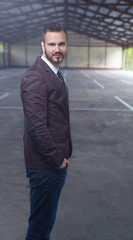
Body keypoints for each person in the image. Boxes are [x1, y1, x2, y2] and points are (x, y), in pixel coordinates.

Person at [20, 22, 72, 240]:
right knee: (40, 229)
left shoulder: (54, 73)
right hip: (46, 167)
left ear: (66, 45)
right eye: (52, 44)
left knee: (42, 226)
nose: (57, 48)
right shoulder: (36, 76)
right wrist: (58, 159)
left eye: (61, 44)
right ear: (43, 46)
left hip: (50, 166)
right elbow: (36, 126)